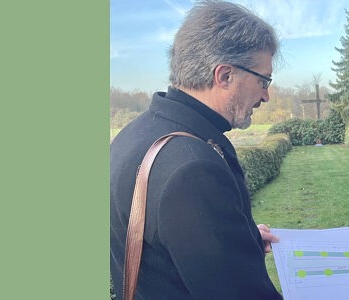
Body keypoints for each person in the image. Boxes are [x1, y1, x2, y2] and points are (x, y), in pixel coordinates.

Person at [110, 1, 282, 298]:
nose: (266, 95)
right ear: (225, 75)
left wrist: (239, 238)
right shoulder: (192, 169)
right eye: (263, 80)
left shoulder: (136, 132)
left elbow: (168, 248)